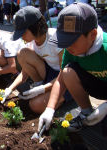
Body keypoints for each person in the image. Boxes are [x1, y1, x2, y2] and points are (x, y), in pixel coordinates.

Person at [38, 3, 107, 133]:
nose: (67, 47)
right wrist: (50, 109)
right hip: (97, 86)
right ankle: (86, 112)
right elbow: (60, 80)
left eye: (71, 41)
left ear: (92, 35)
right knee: (67, 72)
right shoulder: (71, 50)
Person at [2, 6, 71, 112]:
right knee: (22, 53)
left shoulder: (54, 38)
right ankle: (41, 86)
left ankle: (65, 97)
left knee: (35, 105)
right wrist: (10, 88)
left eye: (23, 33)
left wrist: (42, 89)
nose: (21, 37)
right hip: (50, 73)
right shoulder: (32, 42)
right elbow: (25, 71)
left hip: (66, 78)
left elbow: (64, 73)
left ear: (35, 27)